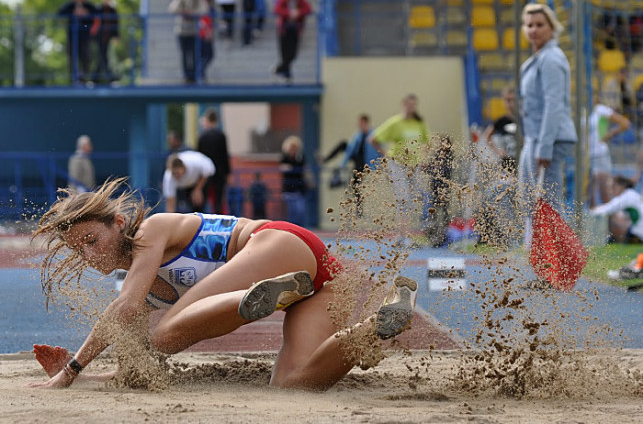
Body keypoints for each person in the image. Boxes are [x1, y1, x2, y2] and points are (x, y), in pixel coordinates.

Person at [28, 177, 418, 390]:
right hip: (321, 280)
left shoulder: (151, 232)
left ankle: (252, 297)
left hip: (275, 241)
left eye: (92, 241)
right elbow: (134, 371)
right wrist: (85, 376)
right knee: (294, 383)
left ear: (118, 223)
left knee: (164, 334)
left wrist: (74, 368)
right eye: (79, 250)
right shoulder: (140, 287)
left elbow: (125, 308)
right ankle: (379, 324)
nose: (89, 256)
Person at [518, 3, 577, 247]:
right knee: (530, 201)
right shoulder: (538, 59)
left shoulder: (551, 59)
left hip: (548, 139)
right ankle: (543, 266)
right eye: (529, 25)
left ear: (552, 28)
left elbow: (554, 105)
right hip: (535, 137)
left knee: (547, 204)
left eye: (540, 24)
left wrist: (544, 147)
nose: (533, 29)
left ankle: (555, 269)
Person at [368, 94, 430, 243]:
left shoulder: (419, 123)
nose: (411, 107)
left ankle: (421, 230)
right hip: (398, 164)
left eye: (413, 105)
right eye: (408, 104)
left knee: (422, 196)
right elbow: (373, 139)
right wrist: (386, 155)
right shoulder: (395, 123)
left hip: (415, 166)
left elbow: (427, 141)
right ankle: (404, 235)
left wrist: (424, 157)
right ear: (403, 105)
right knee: (404, 200)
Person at [588, 95, 632, 207]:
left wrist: (609, 135)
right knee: (590, 196)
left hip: (600, 155)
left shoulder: (600, 109)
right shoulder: (583, 111)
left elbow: (625, 123)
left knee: (605, 194)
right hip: (587, 156)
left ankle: (610, 222)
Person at [338, 114, 380, 217]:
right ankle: (359, 208)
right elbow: (350, 150)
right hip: (358, 162)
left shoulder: (373, 134)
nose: (359, 125)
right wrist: (342, 164)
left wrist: (380, 164)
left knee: (360, 186)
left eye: (361, 122)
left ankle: (360, 208)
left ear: (365, 122)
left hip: (367, 163)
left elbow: (378, 149)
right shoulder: (358, 135)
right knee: (355, 185)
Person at [169, 0, 210, 84]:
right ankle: (187, 76)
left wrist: (192, 13)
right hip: (182, 31)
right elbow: (172, 9)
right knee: (185, 54)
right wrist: (184, 10)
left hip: (194, 32)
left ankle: (194, 75)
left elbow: (204, 10)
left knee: (195, 54)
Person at [590, 175, 643, 244]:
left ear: (621, 186)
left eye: (612, 187)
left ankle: (611, 240)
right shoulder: (631, 194)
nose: (611, 191)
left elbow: (607, 209)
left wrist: (589, 212)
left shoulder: (627, 196)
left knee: (612, 217)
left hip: (639, 233)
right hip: (636, 231)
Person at [197, 107, 231, 214]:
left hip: (205, 173)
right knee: (218, 199)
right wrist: (227, 173)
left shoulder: (203, 136)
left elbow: (199, 156)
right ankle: (219, 221)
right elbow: (225, 156)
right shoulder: (221, 136)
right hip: (219, 172)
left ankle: (200, 220)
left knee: (204, 198)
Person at [57, 0, 97, 83]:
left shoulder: (89, 6)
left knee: (86, 57)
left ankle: (84, 78)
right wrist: (73, 13)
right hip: (72, 36)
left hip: (85, 36)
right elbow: (60, 13)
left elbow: (97, 14)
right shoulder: (70, 5)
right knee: (72, 57)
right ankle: (74, 79)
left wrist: (86, 14)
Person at [272, 0, 312, 83]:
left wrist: (298, 13)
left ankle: (279, 69)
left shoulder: (300, 0)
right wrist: (289, 13)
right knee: (285, 53)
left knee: (293, 54)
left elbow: (308, 9)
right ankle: (287, 74)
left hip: (295, 29)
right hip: (284, 29)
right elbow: (276, 9)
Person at [481, 86, 519, 175]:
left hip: (521, 162)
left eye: (512, 100)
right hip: (507, 165)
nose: (510, 104)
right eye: (507, 100)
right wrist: (498, 151)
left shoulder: (523, 121)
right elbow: (487, 136)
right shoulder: (501, 121)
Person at [90, 0, 119, 83]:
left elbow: (115, 23)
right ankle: (109, 77)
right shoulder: (98, 8)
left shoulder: (112, 10)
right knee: (103, 56)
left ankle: (95, 79)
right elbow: (93, 21)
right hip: (99, 36)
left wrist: (116, 35)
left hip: (107, 36)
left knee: (102, 56)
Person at [280, 135, 308, 226]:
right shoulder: (284, 157)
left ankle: (300, 227)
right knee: (292, 212)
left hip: (299, 188)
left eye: (295, 147)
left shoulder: (300, 157)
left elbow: (302, 168)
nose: (293, 150)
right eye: (291, 147)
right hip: (289, 188)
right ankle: (292, 228)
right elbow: (283, 169)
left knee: (300, 210)